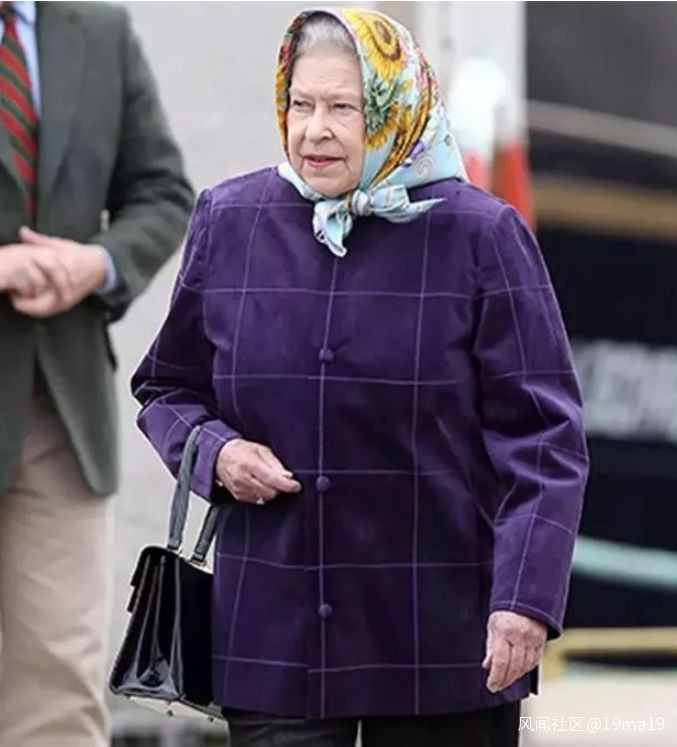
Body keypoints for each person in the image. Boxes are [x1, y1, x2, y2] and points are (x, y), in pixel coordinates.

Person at [132, 8, 588, 747]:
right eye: (301, 105)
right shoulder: (231, 220)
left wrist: (525, 601)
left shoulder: (481, 236)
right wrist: (216, 453)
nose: (315, 130)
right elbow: (166, 388)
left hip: (445, 641)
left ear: (394, 108)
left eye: (344, 108)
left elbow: (544, 439)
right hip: (276, 641)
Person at [0, 2, 193, 745]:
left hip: (60, 412)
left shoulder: (101, 31)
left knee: (58, 688)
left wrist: (99, 262)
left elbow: (162, 192)